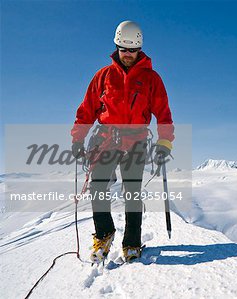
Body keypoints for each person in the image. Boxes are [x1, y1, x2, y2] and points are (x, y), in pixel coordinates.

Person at [71, 20, 174, 263]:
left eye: (132, 50)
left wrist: (164, 143)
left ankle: (132, 243)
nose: (127, 55)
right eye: (123, 49)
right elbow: (86, 110)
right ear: (117, 46)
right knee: (98, 188)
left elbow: (164, 115)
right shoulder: (103, 76)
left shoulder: (152, 79)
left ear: (140, 49)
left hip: (136, 141)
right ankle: (104, 234)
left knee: (132, 193)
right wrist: (78, 139)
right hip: (106, 140)